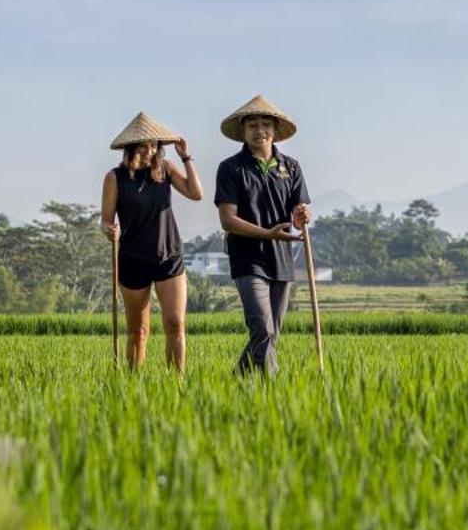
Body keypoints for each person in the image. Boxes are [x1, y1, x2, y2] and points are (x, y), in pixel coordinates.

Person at [213, 94, 312, 374]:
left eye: (265, 124)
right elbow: (228, 220)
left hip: (281, 258)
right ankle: (274, 387)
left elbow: (297, 211)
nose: (260, 131)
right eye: (253, 125)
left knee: (271, 335)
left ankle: (238, 379)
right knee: (262, 327)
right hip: (247, 258)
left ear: (275, 130)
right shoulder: (231, 168)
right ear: (244, 132)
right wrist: (266, 234)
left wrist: (301, 215)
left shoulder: (290, 167)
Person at [101, 112, 203, 370]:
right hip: (133, 259)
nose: (151, 149)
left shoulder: (165, 170)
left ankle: (176, 385)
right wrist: (109, 230)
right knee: (138, 330)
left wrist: (186, 157)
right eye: (146, 144)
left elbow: (196, 193)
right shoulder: (115, 178)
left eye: (156, 144)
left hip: (169, 256)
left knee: (175, 324)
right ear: (131, 146)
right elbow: (106, 220)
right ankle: (134, 385)